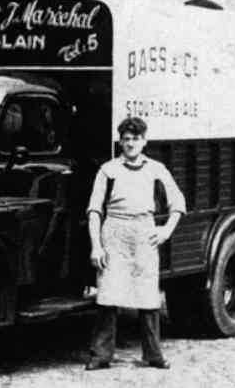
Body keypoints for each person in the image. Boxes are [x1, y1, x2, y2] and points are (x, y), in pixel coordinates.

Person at [84, 117, 186, 371]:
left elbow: (178, 203)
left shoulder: (156, 169)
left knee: (148, 294)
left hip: (144, 232)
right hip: (114, 232)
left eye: (135, 139)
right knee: (108, 294)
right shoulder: (108, 170)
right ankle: (101, 355)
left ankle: (153, 355)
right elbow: (95, 210)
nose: (130, 144)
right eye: (126, 139)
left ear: (144, 141)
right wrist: (96, 245)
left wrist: (165, 231)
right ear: (120, 141)